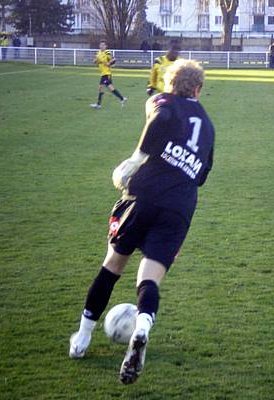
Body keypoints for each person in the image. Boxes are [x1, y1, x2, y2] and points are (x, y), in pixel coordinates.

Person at [69, 59, 215, 385]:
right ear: (198, 89)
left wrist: (135, 160)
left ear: (169, 83)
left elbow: (160, 115)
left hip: (144, 194)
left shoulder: (161, 99)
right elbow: (203, 174)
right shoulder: (207, 124)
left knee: (113, 265)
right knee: (150, 276)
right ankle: (143, 326)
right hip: (181, 205)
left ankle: (82, 338)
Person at [91, 41, 127, 109]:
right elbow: (95, 61)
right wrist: (96, 61)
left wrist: (109, 63)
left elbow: (114, 60)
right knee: (110, 88)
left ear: (105, 46)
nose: (102, 46)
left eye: (103, 45)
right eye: (101, 45)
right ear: (99, 46)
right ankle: (122, 98)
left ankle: (98, 104)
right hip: (103, 73)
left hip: (106, 73)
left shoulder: (107, 52)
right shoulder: (98, 53)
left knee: (101, 87)